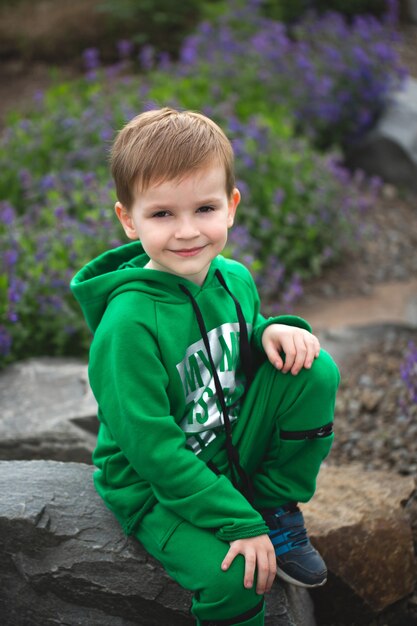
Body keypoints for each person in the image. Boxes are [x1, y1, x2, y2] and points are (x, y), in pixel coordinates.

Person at [71, 107, 340, 626]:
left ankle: (274, 505)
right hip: (154, 482)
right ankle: (247, 523)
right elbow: (154, 451)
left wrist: (270, 330)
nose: (188, 232)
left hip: (228, 439)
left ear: (232, 207)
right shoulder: (127, 327)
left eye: (205, 208)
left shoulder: (233, 277)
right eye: (162, 214)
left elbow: (242, 334)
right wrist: (237, 524)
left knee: (314, 368)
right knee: (236, 577)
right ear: (128, 219)